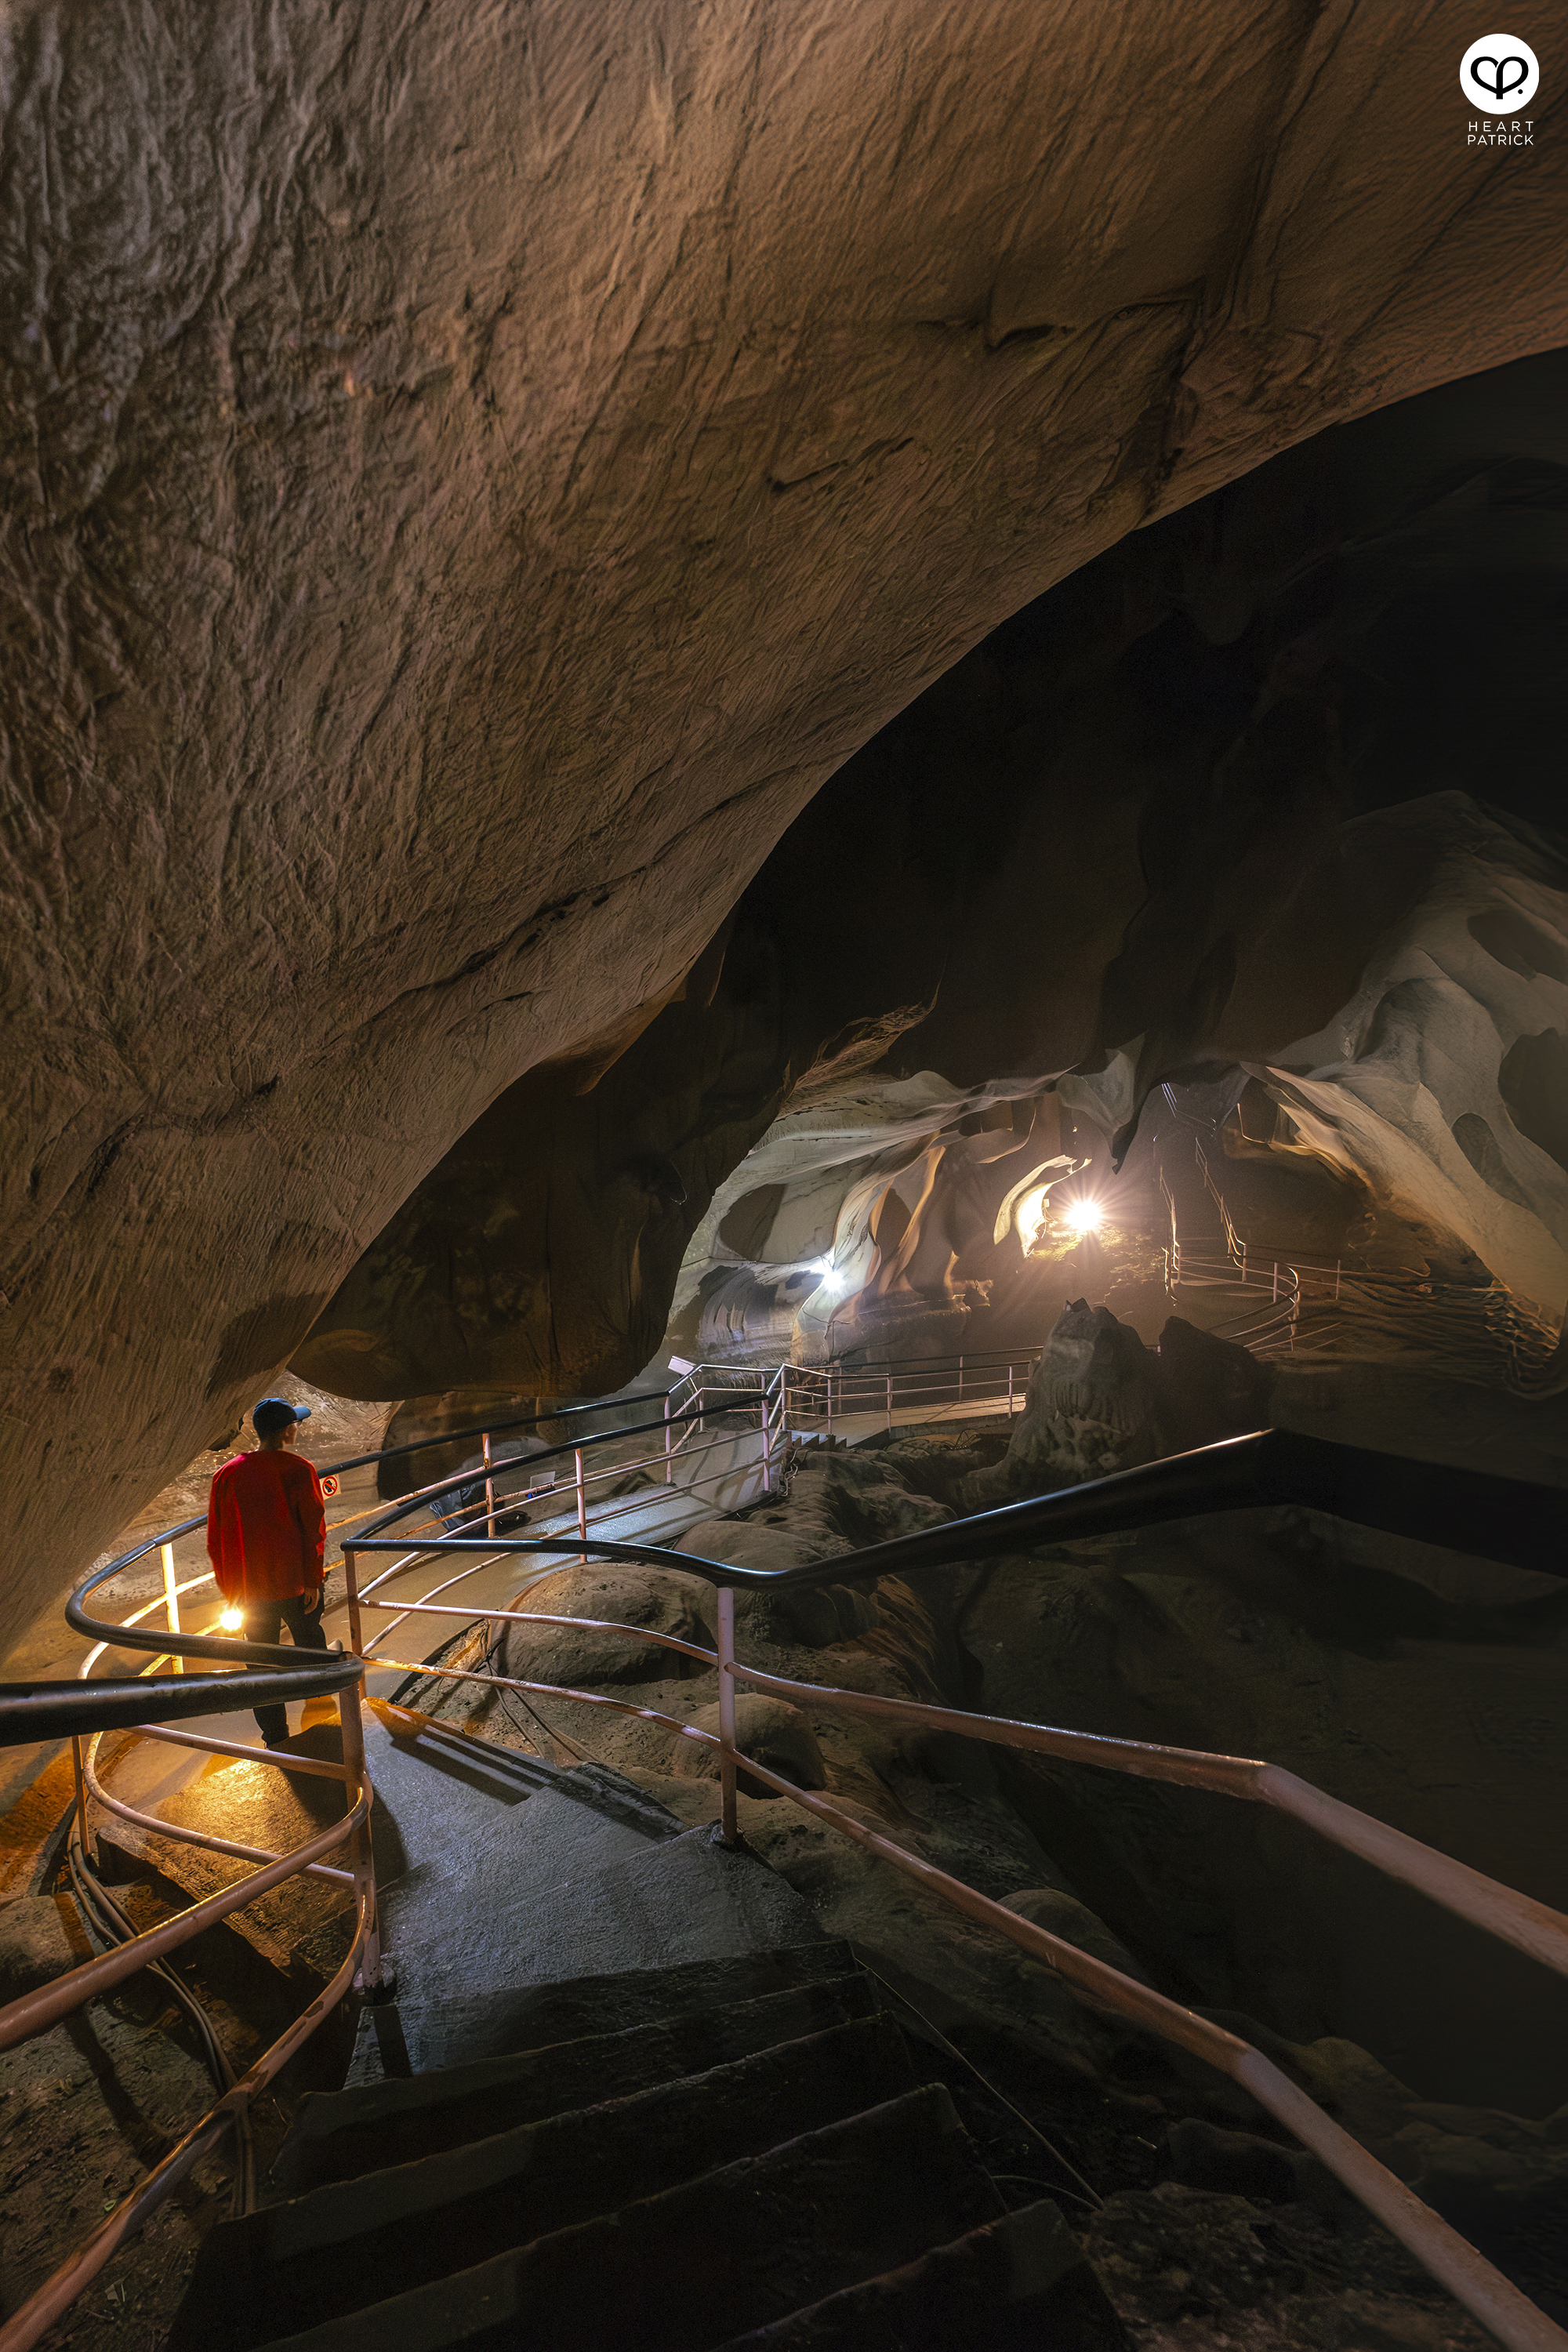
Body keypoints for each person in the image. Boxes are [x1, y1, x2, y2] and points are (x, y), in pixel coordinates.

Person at [206, 1398, 328, 1748]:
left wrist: (233, 1592)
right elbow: (313, 1531)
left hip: (250, 1593)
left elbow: (216, 1541)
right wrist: (312, 1580)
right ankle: (322, 1710)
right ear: (289, 1430)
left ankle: (275, 1737)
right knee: (310, 1647)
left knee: (261, 1664)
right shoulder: (299, 1469)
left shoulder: (226, 1474)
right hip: (295, 1586)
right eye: (295, 1425)